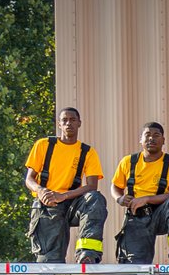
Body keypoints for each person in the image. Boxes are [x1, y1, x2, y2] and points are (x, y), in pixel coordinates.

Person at [24, 107, 108, 263]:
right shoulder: (44, 145)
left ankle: (87, 254)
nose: (69, 123)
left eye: (73, 120)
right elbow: (29, 179)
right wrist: (41, 191)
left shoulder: (87, 152)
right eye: (64, 120)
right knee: (50, 264)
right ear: (59, 124)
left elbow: (91, 186)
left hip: (72, 203)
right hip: (47, 204)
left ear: (79, 123)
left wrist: (64, 195)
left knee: (95, 198)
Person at [111, 121, 169, 264]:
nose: (151, 138)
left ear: (163, 140)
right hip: (137, 216)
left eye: (156, 135)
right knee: (134, 267)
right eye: (147, 135)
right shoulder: (128, 162)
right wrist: (119, 198)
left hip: (163, 214)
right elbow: (115, 186)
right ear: (141, 139)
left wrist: (147, 199)